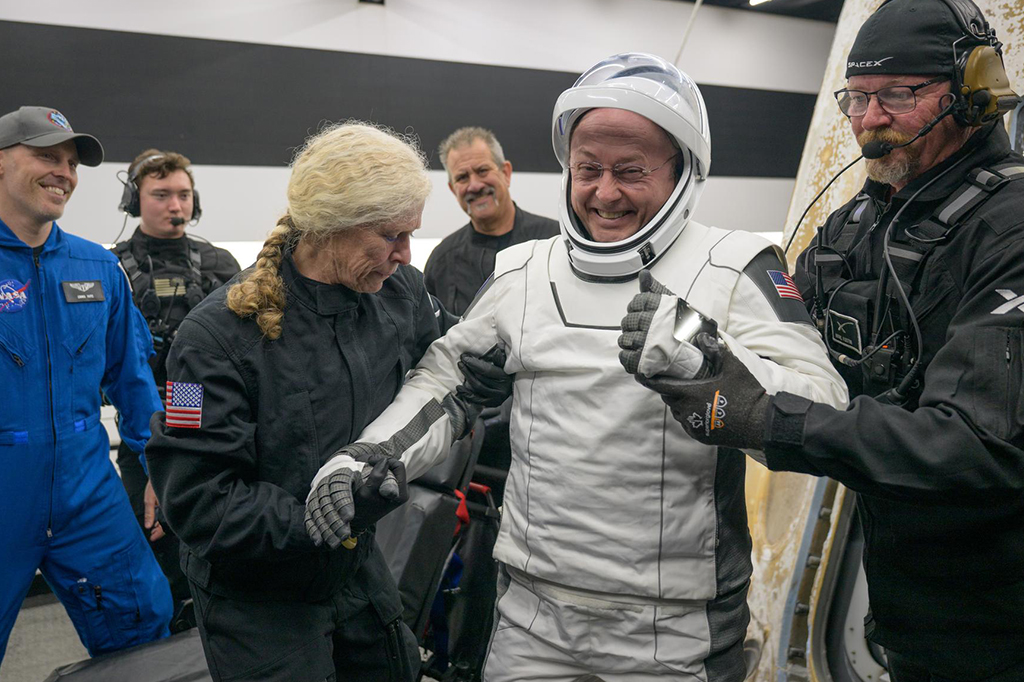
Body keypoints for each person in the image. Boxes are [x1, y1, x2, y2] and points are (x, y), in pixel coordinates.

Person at [306, 54, 847, 681]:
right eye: (588, 170)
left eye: (631, 171)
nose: (605, 192)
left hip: (674, 630)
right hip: (531, 615)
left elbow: (826, 410)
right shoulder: (523, 269)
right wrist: (363, 459)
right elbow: (443, 383)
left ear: (683, 172)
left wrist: (708, 355)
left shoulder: (736, 264)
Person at [628, 2, 1024, 680]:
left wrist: (770, 419)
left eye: (897, 95)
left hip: (999, 627)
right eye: (857, 98)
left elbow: (973, 447)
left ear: (973, 91)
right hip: (909, 615)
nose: (869, 120)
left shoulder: (1008, 231)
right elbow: (774, 336)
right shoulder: (858, 223)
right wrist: (690, 333)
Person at [145, 122, 503, 682]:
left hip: (351, 567)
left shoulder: (398, 293)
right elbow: (196, 503)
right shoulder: (208, 341)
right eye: (391, 236)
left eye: (410, 234)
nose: (405, 254)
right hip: (258, 597)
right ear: (330, 226)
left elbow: (451, 362)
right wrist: (327, 514)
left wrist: (488, 371)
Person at [0, 106, 172, 661]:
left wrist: (162, 466)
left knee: (143, 622)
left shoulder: (98, 267)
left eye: (72, 163)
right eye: (46, 156)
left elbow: (138, 378)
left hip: (87, 487)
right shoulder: (121, 262)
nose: (64, 172)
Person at [110, 149, 240, 608]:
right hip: (142, 428)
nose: (175, 205)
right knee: (157, 546)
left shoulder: (220, 263)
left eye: (183, 195)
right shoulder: (111, 269)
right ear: (134, 201)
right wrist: (158, 459)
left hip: (217, 428)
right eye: (161, 194)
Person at [424, 126, 559, 316]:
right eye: (462, 177)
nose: (475, 185)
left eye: (482, 171)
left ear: (506, 173)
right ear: (453, 189)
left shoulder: (555, 243)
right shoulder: (441, 262)